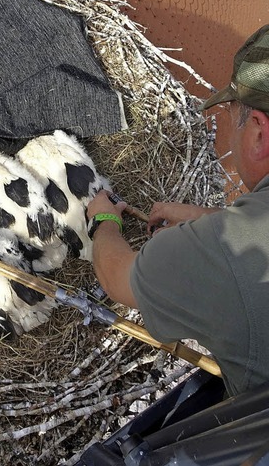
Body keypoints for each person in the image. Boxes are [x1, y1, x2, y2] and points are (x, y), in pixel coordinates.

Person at [85, 24, 269, 396]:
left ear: (259, 131)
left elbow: (118, 278)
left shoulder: (234, 252)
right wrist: (208, 220)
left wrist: (102, 220)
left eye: (233, 119)